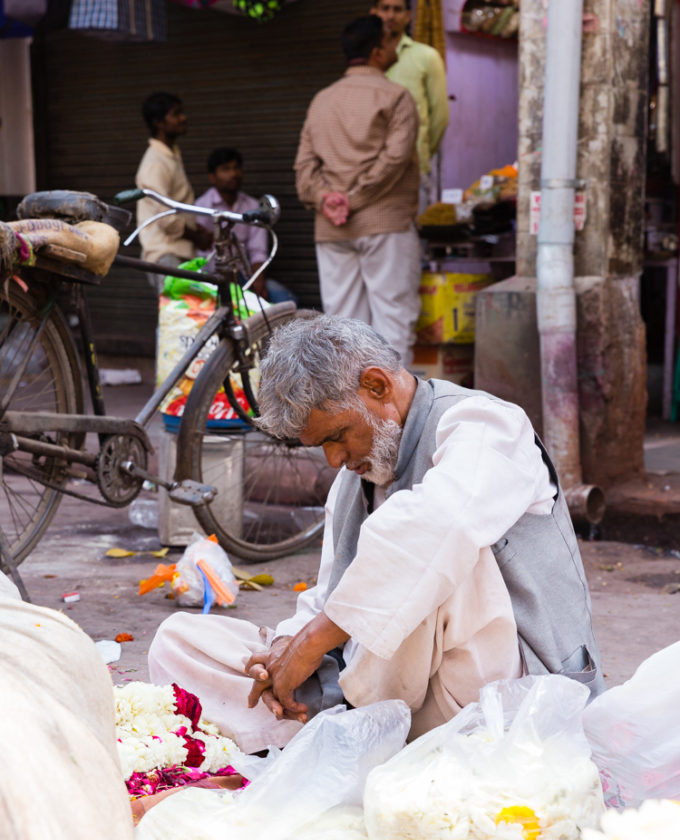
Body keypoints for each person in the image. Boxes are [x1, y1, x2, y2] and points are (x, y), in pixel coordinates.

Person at [147, 314, 603, 755]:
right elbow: (333, 593)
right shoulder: (356, 475)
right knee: (179, 642)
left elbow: (436, 530)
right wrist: (285, 650)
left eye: (337, 436)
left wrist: (312, 645)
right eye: (321, 446)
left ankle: (345, 729)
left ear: (377, 385)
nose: (333, 460)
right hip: (391, 691)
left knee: (432, 555)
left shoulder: (486, 424)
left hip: (507, 703)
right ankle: (334, 723)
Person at [294, 15, 421, 366]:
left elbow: (304, 169)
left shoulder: (321, 100)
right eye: (392, 40)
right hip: (384, 224)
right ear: (378, 51)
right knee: (392, 319)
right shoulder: (397, 97)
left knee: (343, 326)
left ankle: (356, 413)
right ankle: (396, 416)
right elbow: (395, 159)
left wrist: (327, 199)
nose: (396, 45)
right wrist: (355, 199)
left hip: (332, 228)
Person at [371, 0, 449, 211]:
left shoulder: (426, 57)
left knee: (413, 239)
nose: (390, 16)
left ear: (408, 16)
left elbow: (439, 118)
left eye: (397, 9)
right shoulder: (365, 59)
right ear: (373, 13)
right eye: (384, 9)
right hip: (367, 175)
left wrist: (419, 151)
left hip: (412, 170)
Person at [194, 146, 296, 305]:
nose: (232, 174)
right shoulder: (201, 207)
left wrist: (258, 281)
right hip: (212, 279)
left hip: (244, 277)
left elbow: (258, 251)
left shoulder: (252, 206)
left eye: (236, 168)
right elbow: (201, 256)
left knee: (286, 301)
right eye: (225, 169)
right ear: (212, 177)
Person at [135, 92, 212, 292]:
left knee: (184, 318)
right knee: (176, 319)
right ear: (159, 122)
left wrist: (194, 228)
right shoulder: (155, 162)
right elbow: (166, 217)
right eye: (176, 114)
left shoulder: (170, 155)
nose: (183, 118)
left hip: (178, 253)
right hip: (166, 255)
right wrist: (196, 236)